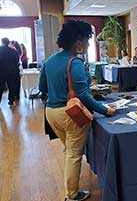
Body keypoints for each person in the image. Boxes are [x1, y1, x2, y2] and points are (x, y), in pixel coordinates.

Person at [39, 20, 115, 201]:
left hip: (51, 112)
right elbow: (84, 97)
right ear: (78, 43)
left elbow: (43, 86)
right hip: (71, 113)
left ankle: (70, 185)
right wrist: (105, 110)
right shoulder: (75, 63)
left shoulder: (49, 61)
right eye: (88, 41)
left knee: (69, 149)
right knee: (74, 154)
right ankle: (72, 195)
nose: (89, 44)